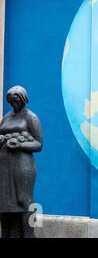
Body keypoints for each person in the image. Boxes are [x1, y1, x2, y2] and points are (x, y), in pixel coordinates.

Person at [0, 85, 43, 238]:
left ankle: (30, 233)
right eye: (10, 101)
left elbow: (38, 144)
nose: (13, 104)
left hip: (23, 165)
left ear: (23, 99)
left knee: (25, 199)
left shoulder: (31, 117)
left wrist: (19, 144)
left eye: (16, 100)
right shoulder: (6, 117)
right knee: (5, 201)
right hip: (4, 165)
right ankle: (9, 234)